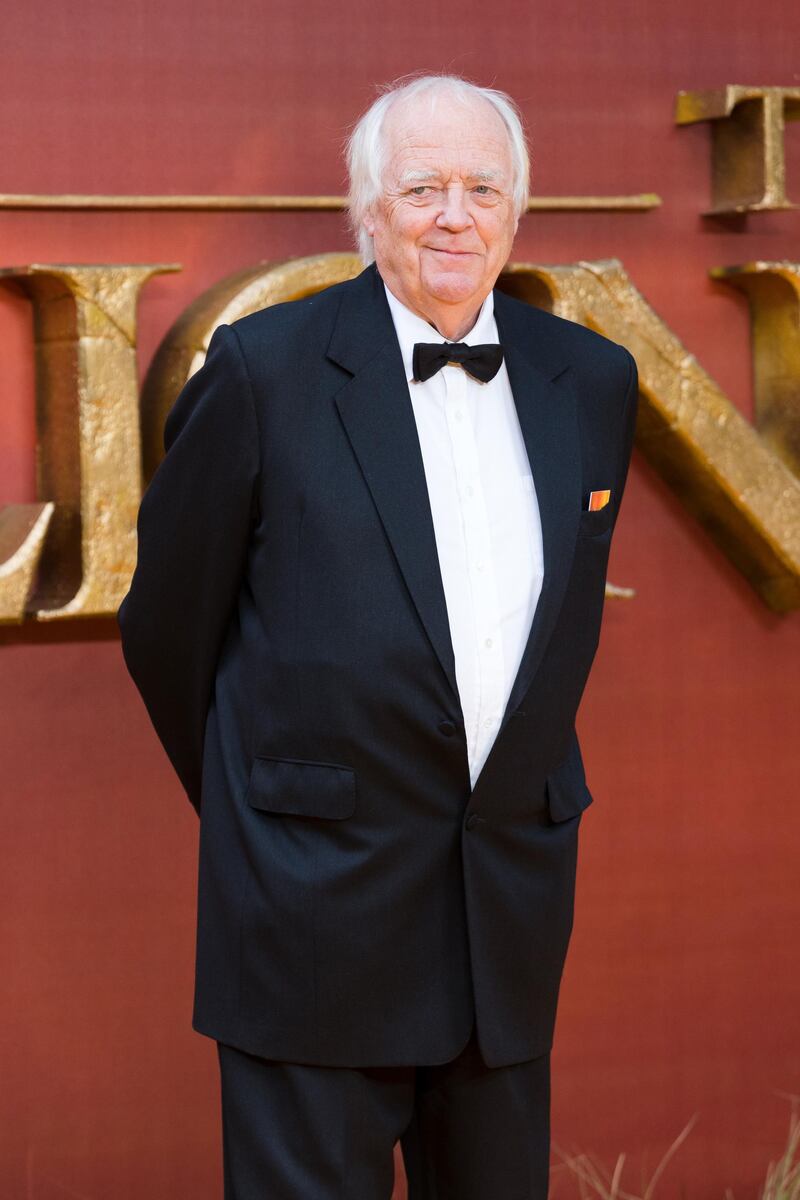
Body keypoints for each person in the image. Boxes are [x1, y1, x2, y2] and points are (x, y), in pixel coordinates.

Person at [118, 73, 638, 1200]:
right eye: (422, 188)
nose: (454, 214)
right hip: (311, 917)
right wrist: (268, 812)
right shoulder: (262, 372)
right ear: (367, 212)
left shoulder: (590, 381)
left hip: (502, 918)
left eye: (481, 188)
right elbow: (166, 627)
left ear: (515, 211)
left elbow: (558, 633)